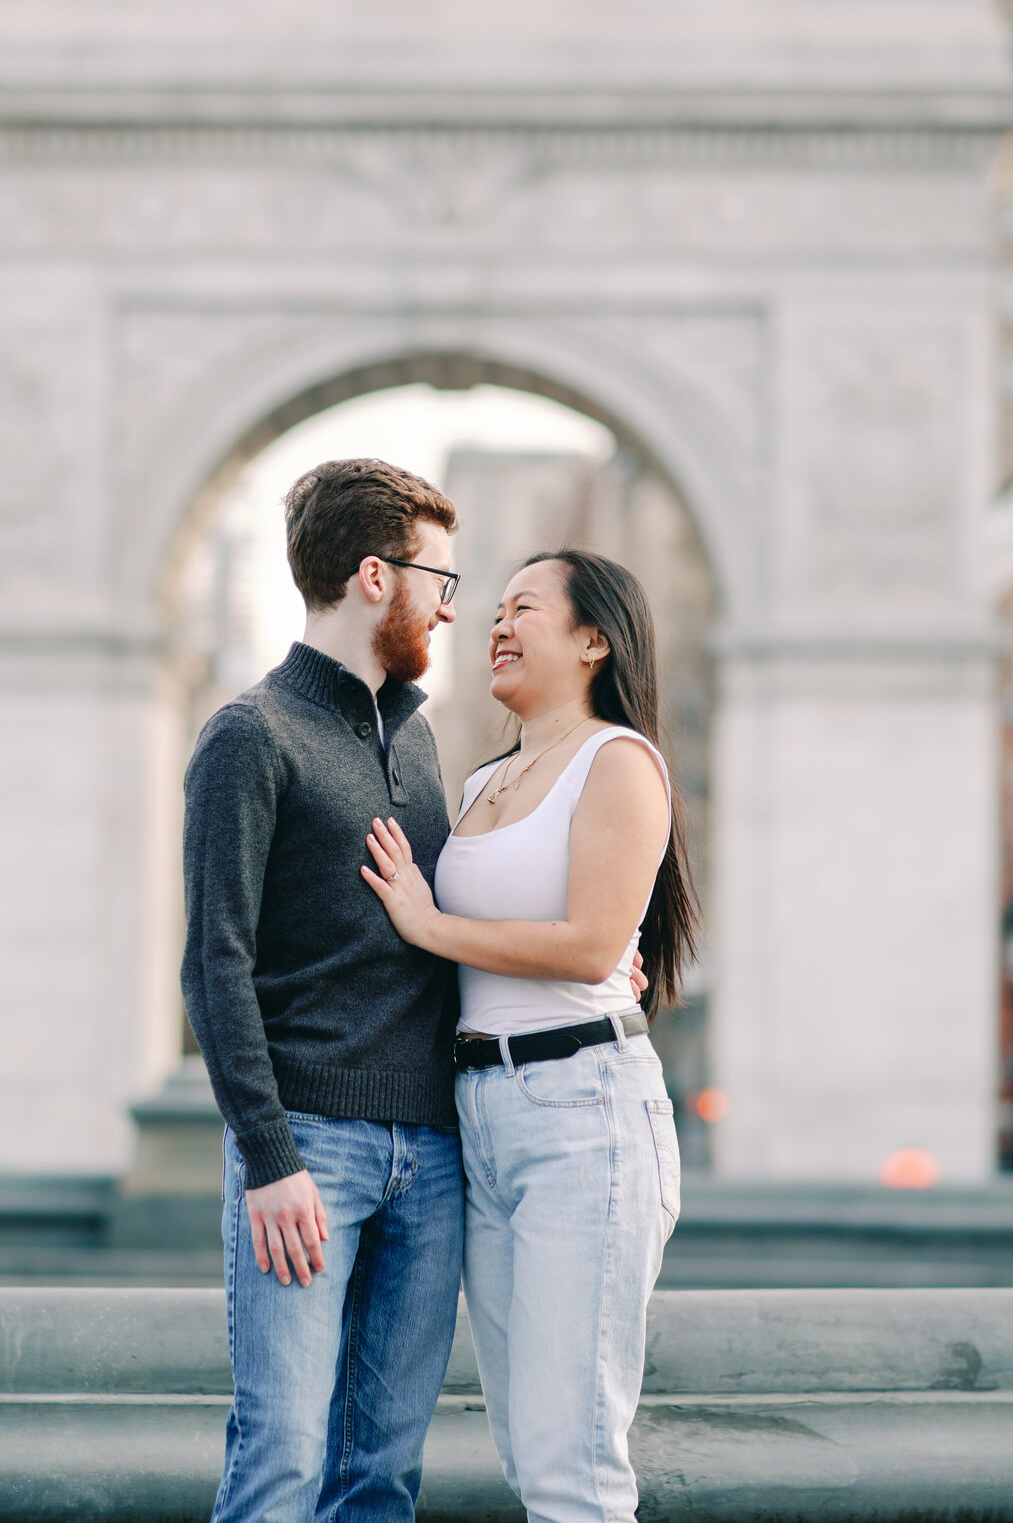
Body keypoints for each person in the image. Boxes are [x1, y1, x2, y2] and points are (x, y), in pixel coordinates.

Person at [362, 547, 698, 1523]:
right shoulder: (476, 785)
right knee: (525, 1446)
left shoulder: (619, 760)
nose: (496, 625)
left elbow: (592, 942)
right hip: (481, 1121)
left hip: (582, 1112)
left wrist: (431, 924)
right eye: (494, 608)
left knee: (573, 1467)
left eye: (525, 609)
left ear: (594, 638)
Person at [180, 457, 468, 1523]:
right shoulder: (247, 737)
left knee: (381, 1475)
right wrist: (269, 1160)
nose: (451, 602)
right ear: (374, 576)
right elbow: (213, 962)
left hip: (434, 1155)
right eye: (440, 577)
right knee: (282, 1462)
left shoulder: (422, 736)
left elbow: (438, 926)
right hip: (308, 1151)